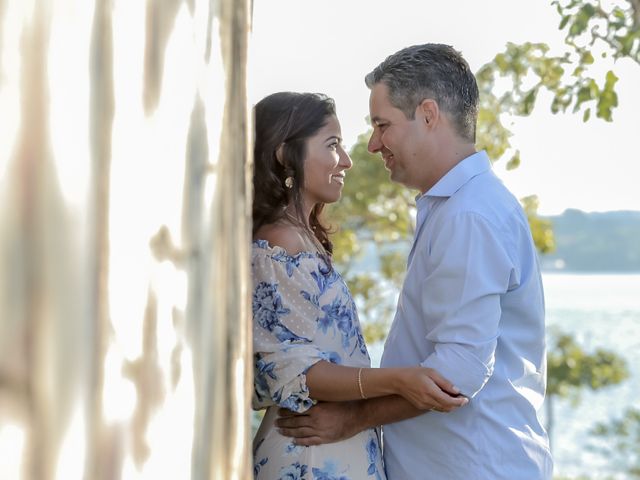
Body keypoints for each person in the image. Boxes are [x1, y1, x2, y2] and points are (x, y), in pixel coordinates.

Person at [276, 45, 553, 479]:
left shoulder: (469, 215)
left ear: (427, 114)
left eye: (382, 125)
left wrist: (352, 418)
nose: (371, 145)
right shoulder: (454, 207)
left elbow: (459, 370)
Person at [250, 91, 467, 479]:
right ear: (285, 154)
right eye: (333, 145)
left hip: (335, 448)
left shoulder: (303, 239)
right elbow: (296, 372)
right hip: (309, 458)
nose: (348, 161)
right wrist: (399, 380)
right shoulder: (279, 244)